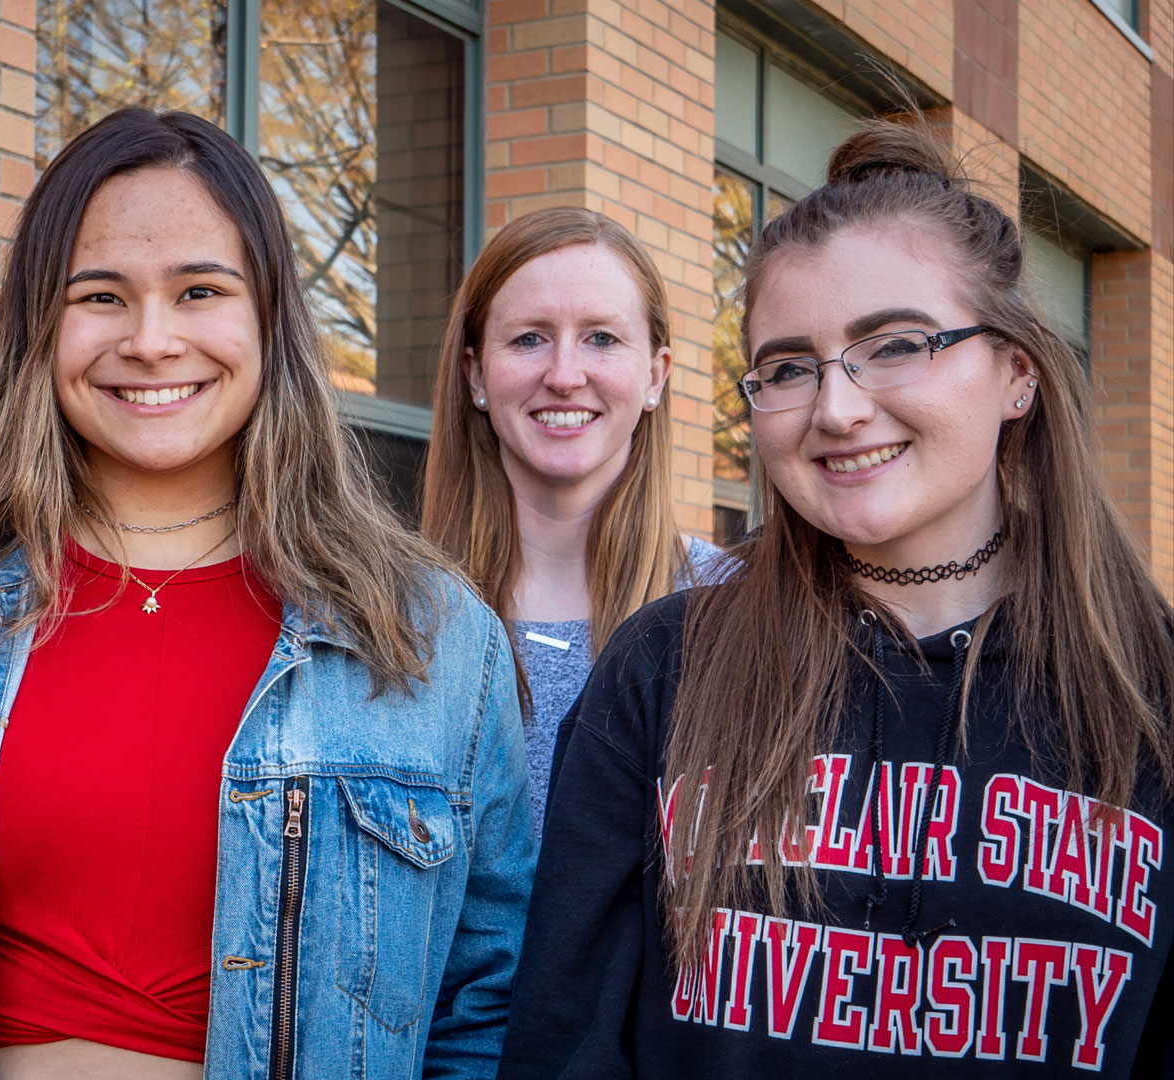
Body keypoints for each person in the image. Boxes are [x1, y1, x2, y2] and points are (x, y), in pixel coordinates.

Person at [0, 108, 533, 1080]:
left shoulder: (431, 638)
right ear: (40, 327)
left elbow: (486, 1005)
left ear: (269, 319)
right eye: (100, 294)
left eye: (198, 291)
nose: (150, 339)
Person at [499, 120, 1174, 1076]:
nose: (837, 408)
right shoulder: (664, 669)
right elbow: (563, 1048)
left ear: (1017, 372)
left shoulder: (1150, 689)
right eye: (788, 367)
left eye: (894, 344)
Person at [421, 207, 723, 857]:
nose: (563, 374)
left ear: (656, 375)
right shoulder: (391, 616)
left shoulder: (731, 609)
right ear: (475, 374)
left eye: (602, 339)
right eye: (529, 338)